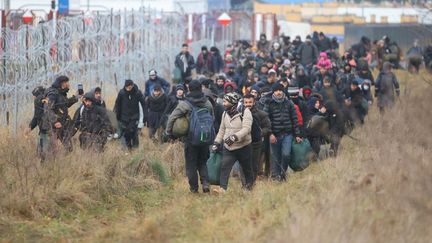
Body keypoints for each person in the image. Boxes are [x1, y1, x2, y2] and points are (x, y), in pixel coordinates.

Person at [165, 80, 213, 193]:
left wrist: (168, 133)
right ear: (201, 88)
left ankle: (194, 189)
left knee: (191, 164)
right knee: (202, 162)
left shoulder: (185, 104)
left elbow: (172, 118)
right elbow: (212, 119)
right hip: (205, 137)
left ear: (189, 89)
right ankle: (205, 183)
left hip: (190, 139)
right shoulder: (208, 103)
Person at [212, 92, 254, 193]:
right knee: (224, 167)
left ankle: (248, 188)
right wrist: (216, 142)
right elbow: (222, 130)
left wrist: (235, 137)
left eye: (225, 101)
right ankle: (223, 189)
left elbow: (247, 129)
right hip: (229, 147)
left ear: (232, 102)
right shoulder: (225, 113)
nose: (223, 103)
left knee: (246, 169)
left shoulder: (246, 112)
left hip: (244, 146)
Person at [264, 82, 302, 181]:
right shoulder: (269, 103)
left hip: (287, 134)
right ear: (273, 92)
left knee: (286, 154)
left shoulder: (289, 103)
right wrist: (270, 134)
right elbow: (266, 120)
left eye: (280, 90)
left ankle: (283, 172)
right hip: (274, 135)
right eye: (276, 90)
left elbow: (294, 119)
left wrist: (297, 134)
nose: (278, 92)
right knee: (275, 157)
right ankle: (276, 177)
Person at [45, 76, 79, 152]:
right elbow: (47, 108)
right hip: (53, 125)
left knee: (69, 148)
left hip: (62, 124)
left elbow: (65, 103)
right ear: (62, 83)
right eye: (67, 82)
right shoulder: (53, 94)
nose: (69, 84)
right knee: (51, 149)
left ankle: (66, 162)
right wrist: (55, 121)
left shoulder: (61, 93)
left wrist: (76, 97)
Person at [242, 94, 271, 180]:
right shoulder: (240, 114)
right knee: (244, 164)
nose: (248, 104)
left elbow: (268, 127)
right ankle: (245, 183)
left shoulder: (261, 114)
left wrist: (260, 133)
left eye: (250, 102)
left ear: (254, 102)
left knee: (254, 165)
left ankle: (252, 183)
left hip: (256, 144)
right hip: (243, 143)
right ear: (243, 103)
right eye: (246, 102)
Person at [114, 79, 145, 150]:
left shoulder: (137, 93)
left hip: (134, 117)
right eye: (127, 87)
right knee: (126, 133)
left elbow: (143, 105)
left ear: (132, 86)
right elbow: (117, 105)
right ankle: (128, 148)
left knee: (133, 131)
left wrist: (143, 119)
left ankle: (135, 147)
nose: (128, 89)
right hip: (124, 117)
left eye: (130, 87)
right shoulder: (121, 93)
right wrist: (117, 116)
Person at [26, 86, 49, 159]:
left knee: (42, 152)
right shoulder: (45, 99)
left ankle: (44, 167)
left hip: (45, 130)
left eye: (34, 96)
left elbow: (37, 116)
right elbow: (37, 116)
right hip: (48, 130)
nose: (33, 98)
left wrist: (30, 127)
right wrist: (30, 127)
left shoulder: (39, 100)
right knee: (42, 150)